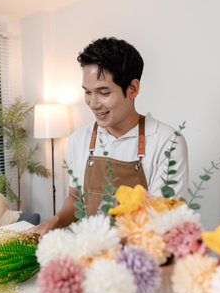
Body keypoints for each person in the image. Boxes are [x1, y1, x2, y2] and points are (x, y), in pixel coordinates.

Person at [33, 37, 188, 236]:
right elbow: (76, 196)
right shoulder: (78, 140)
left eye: (103, 92)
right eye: (87, 92)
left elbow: (163, 221)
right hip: (90, 253)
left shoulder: (167, 142)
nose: (93, 103)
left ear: (133, 89)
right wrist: (53, 222)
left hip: (140, 259)